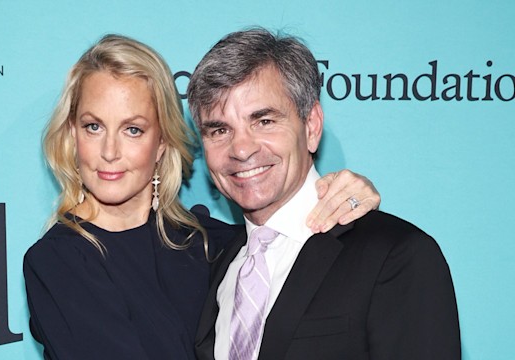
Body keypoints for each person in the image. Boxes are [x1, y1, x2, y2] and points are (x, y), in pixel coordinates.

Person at [23, 34, 380, 360]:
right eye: (93, 127)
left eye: (133, 129)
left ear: (162, 141)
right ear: (72, 134)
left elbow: (290, 230)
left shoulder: (216, 246)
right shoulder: (57, 262)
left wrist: (344, 193)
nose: (110, 151)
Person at [187, 28, 460, 360]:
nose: (241, 149)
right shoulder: (211, 263)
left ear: (312, 126)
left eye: (264, 121)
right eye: (219, 130)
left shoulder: (395, 255)